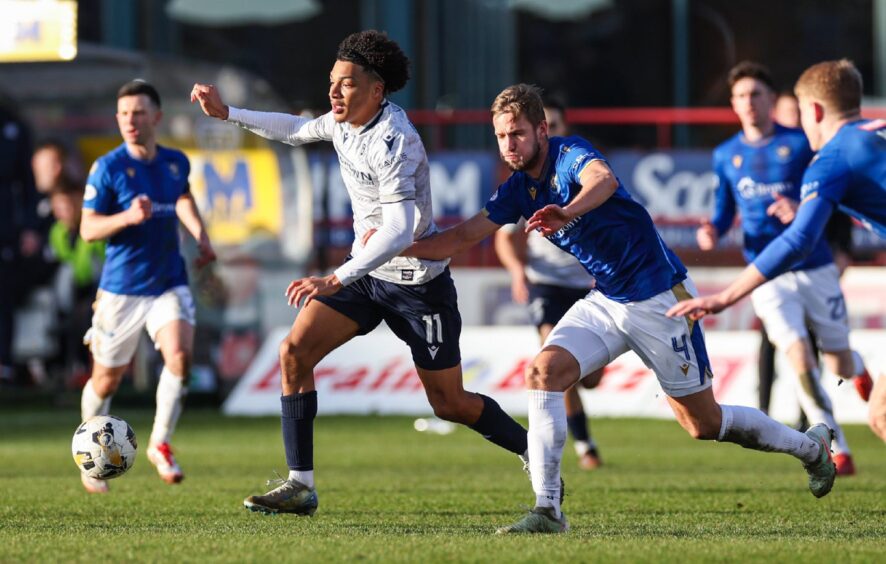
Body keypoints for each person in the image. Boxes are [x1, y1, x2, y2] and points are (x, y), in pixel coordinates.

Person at [406, 83, 840, 534]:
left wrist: (567, 210)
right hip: (608, 299)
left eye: (516, 134)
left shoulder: (569, 152)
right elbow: (461, 237)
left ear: (541, 129)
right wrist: (396, 250)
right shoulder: (518, 189)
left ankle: (809, 449)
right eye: (500, 137)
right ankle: (549, 509)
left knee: (704, 424)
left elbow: (603, 180)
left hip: (659, 298)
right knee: (544, 372)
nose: (509, 145)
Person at [191, 30, 531, 516]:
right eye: (333, 81)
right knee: (294, 353)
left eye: (346, 84)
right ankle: (300, 485)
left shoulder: (396, 141)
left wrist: (334, 278)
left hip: (418, 286)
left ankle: (531, 449)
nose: (334, 92)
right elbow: (294, 129)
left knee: (449, 404)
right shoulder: (343, 123)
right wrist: (230, 114)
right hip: (367, 280)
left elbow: (397, 231)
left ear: (376, 91)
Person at [668, 59, 885, 444]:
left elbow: (798, 240)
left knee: (881, 412)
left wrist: (727, 295)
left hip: (810, 267)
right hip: (775, 276)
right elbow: (725, 213)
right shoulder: (875, 133)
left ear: (814, 111)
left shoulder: (828, 159)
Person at [78, 80, 216, 493]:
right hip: (121, 290)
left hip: (167, 282)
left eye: (138, 113)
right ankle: (88, 453)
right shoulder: (108, 167)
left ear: (156, 117)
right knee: (106, 381)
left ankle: (160, 442)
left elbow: (182, 198)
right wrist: (125, 218)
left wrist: (201, 235)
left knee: (179, 356)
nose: (130, 121)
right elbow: (87, 229)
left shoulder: (175, 163)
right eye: (123, 114)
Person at [494, 98, 602, 471]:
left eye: (555, 125)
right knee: (553, 360)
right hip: (546, 284)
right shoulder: (523, 181)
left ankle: (581, 434)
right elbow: (504, 238)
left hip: (587, 284)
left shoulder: (581, 167)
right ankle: (584, 445)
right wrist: (517, 272)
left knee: (589, 378)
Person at [47, 178, 105, 383]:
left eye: (69, 204)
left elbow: (99, 263)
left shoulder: (94, 226)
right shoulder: (57, 232)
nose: (65, 211)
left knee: (84, 315)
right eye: (59, 206)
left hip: (97, 289)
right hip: (71, 294)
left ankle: (89, 368)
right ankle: (69, 369)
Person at [0, 103, 40, 384]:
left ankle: (4, 366)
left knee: (3, 299)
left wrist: (29, 227)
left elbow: (28, 181)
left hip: (6, 228)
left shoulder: (12, 124)